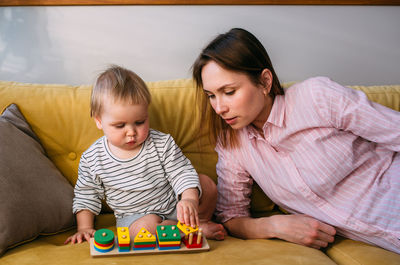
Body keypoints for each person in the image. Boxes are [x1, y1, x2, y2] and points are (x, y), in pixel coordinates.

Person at [192, 28, 400, 254]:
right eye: (211, 96)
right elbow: (231, 216)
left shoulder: (317, 97)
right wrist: (274, 225)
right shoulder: (233, 144)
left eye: (229, 91)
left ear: (264, 81)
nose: (219, 108)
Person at [65, 65, 225, 244]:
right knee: (142, 230)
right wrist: (84, 228)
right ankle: (190, 231)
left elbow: (182, 172)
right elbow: (87, 194)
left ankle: (195, 222)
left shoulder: (162, 143)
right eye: (120, 126)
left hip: (173, 206)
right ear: (99, 121)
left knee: (206, 184)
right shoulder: (93, 158)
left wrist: (188, 200)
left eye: (140, 122)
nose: (131, 132)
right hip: (136, 218)